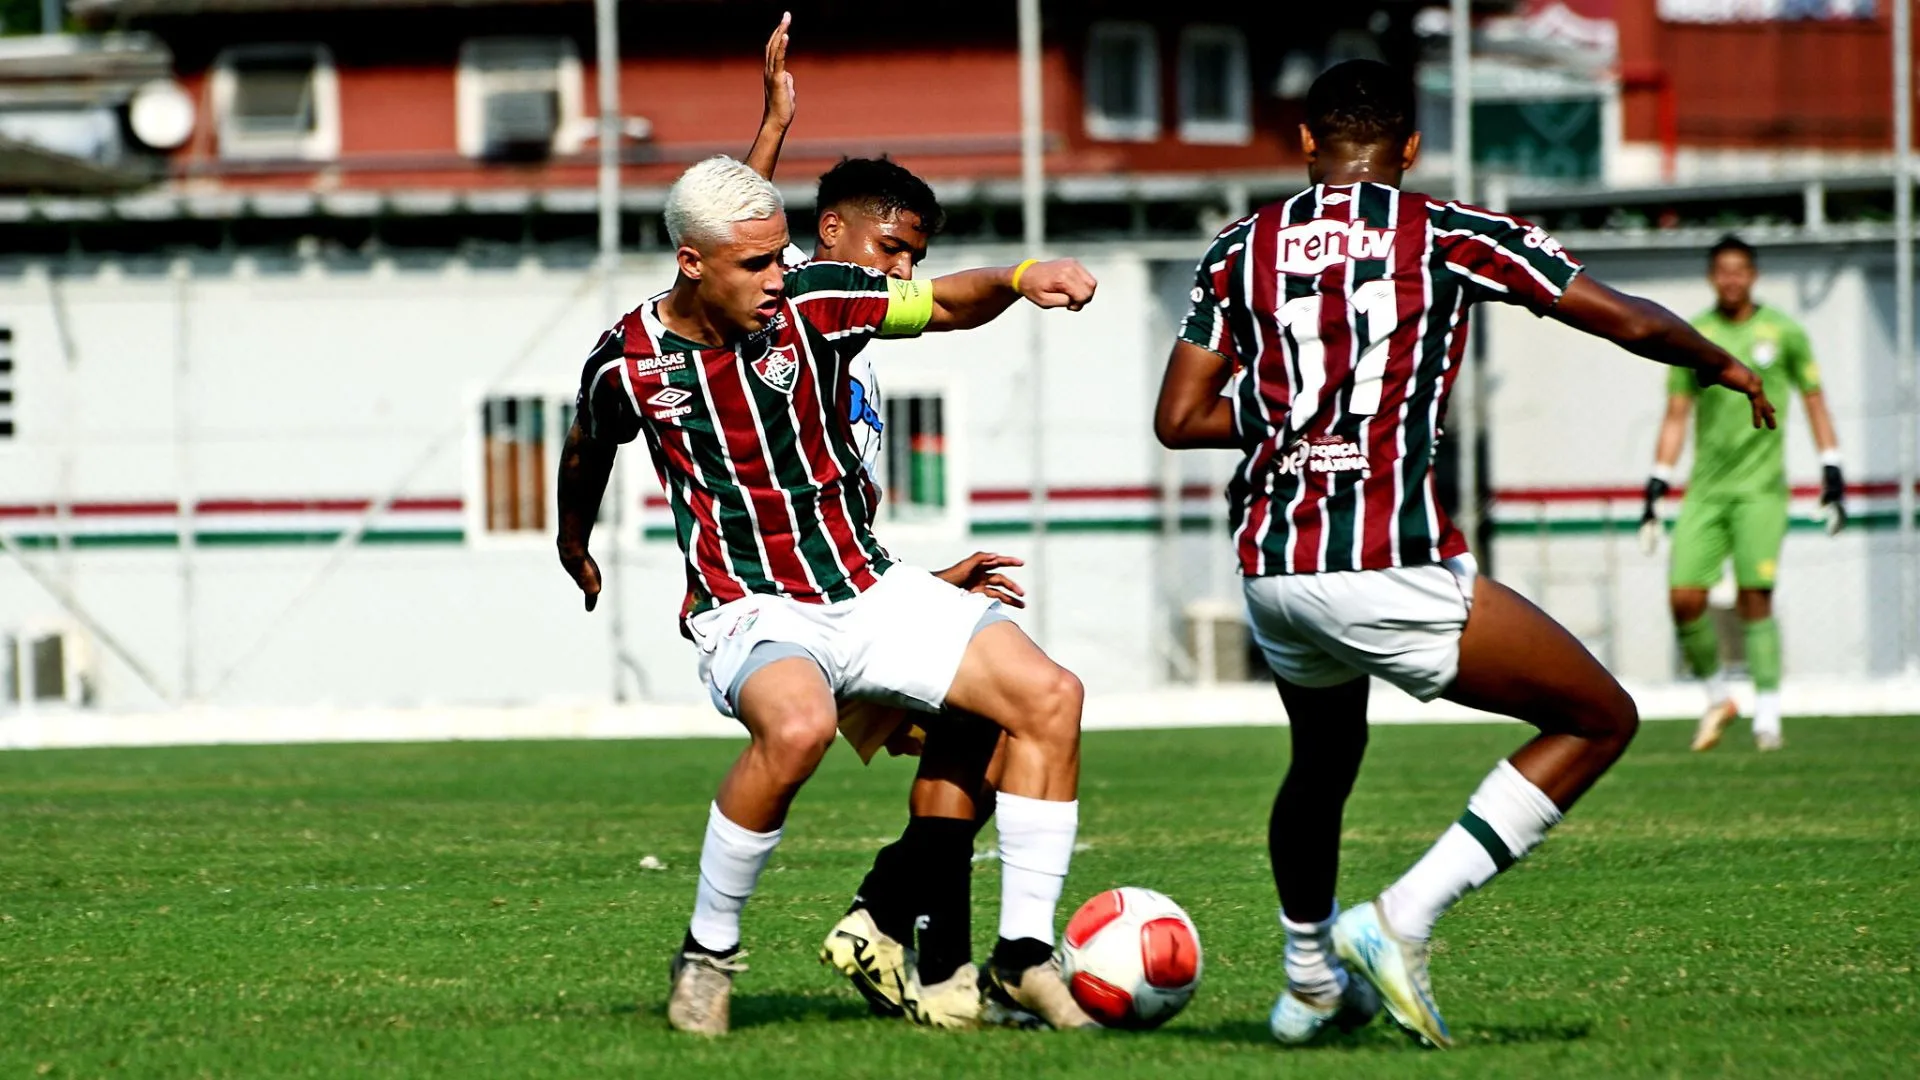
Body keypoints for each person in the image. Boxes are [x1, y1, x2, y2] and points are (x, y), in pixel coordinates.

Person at [1153, 60, 1775, 1050]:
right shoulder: (1447, 231)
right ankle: (1401, 917)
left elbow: (1179, 420)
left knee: (1323, 758)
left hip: (1273, 571)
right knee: (1599, 717)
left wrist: (1294, 422)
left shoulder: (1238, 249)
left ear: (1306, 144)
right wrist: (1719, 360)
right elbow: (1616, 313)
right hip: (1384, 561)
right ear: (1409, 149)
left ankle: (1310, 982)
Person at [555, 153, 1101, 1037]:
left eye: (781, 257)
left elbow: (947, 303)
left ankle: (1022, 956)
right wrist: (571, 540)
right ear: (692, 263)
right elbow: (588, 444)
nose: (782, 277)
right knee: (799, 726)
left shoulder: (816, 301)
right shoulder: (629, 362)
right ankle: (707, 952)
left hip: (866, 584)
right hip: (750, 606)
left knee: (1050, 698)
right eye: (758, 264)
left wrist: (1020, 277)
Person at [738, 16, 1017, 1030]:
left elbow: (841, 522)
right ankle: (922, 950)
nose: (903, 275)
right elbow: (732, 238)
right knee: (991, 724)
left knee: (983, 733)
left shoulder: (851, 380)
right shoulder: (779, 314)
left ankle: (906, 942)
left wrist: (928, 584)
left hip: (849, 589)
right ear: (829, 241)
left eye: (917, 259)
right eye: (893, 251)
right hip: (782, 614)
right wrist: (770, 130)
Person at [1638, 235, 1845, 753]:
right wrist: (1657, 482)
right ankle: (1718, 697)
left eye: (1740, 270)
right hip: (1705, 489)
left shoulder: (1784, 332)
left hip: (1761, 489)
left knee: (1756, 596)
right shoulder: (1695, 335)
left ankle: (1768, 717)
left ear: (1753, 274)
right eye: (1722, 271)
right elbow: (1677, 414)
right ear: (1713, 277)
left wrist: (1832, 469)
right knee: (1684, 597)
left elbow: (1815, 401)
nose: (1731, 279)